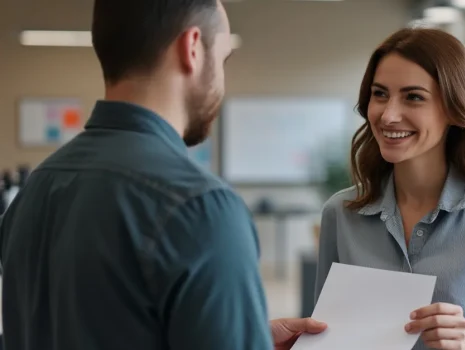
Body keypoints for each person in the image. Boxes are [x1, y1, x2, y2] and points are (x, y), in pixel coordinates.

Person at [0, 0, 326, 349]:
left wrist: (241, 332)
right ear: (192, 48)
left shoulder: (35, 189)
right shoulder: (203, 208)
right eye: (223, 60)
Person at [315, 28, 465, 350]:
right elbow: (326, 340)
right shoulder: (340, 215)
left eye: (413, 97)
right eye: (380, 94)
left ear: (454, 108)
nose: (389, 114)